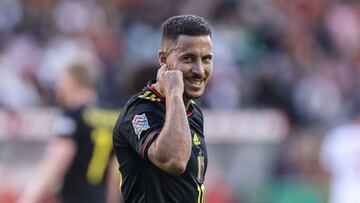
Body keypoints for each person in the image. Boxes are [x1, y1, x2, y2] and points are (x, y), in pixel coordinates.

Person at [113, 15, 213, 203]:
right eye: (188, 58)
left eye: (206, 59)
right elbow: (174, 160)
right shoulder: (140, 111)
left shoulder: (193, 111)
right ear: (163, 59)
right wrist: (174, 92)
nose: (200, 70)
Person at [17, 62, 121, 203]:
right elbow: (116, 171)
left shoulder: (72, 116)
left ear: (70, 82)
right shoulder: (114, 117)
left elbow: (59, 157)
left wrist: (28, 198)